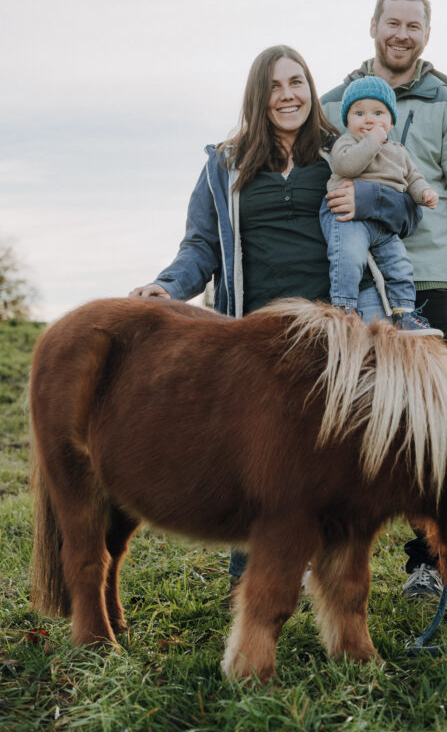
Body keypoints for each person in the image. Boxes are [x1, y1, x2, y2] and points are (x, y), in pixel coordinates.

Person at [130, 44, 421, 584]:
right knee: (259, 462)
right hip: (255, 337)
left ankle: (336, 587)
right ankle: (252, 583)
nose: (288, 96)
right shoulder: (224, 163)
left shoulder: (345, 148)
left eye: (297, 83)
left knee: (334, 461)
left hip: (335, 330)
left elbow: (405, 212)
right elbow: (201, 246)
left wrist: (366, 202)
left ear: (312, 89)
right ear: (258, 98)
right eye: (274, 87)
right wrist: (168, 287)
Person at [321, 0, 447, 599]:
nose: (401, 33)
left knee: (440, 428)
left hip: (436, 281)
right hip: (361, 280)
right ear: (372, 26)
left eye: (413, 25)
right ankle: (347, 555)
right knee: (369, 421)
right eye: (391, 22)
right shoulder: (336, 102)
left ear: (426, 34)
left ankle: (431, 559)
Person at [320, 74, 442, 335]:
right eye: (359, 113)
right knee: (348, 257)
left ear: (390, 120)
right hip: (350, 218)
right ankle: (344, 310)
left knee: (400, 265)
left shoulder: (398, 150)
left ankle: (404, 312)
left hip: (384, 224)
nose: (369, 119)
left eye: (378, 112)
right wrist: (372, 140)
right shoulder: (347, 142)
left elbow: (413, 178)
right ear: (348, 120)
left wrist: (425, 193)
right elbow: (348, 166)